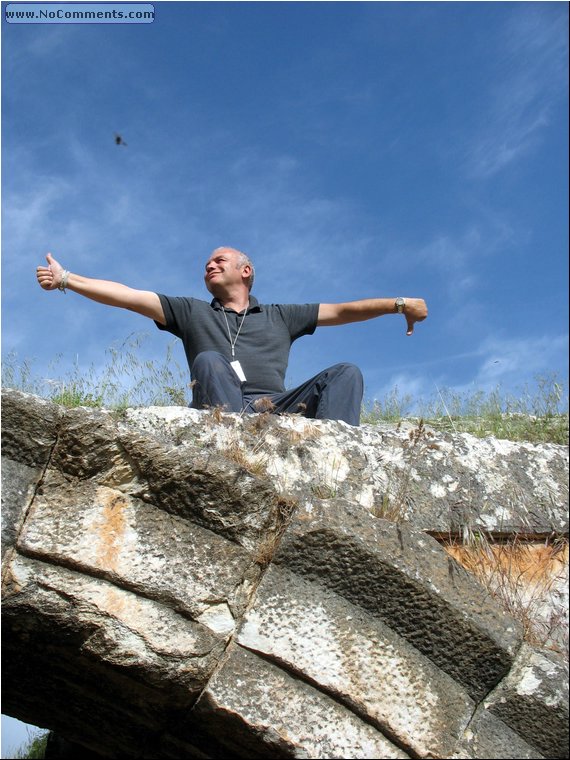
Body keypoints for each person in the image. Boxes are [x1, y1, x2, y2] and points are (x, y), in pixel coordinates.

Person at [36, 247, 427, 426]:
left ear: (246, 271)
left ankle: (335, 453)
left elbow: (343, 310)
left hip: (275, 407)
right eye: (206, 263)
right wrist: (69, 279)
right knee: (208, 360)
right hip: (223, 409)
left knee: (345, 373)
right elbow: (128, 296)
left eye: (219, 261)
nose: (209, 265)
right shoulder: (191, 311)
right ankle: (236, 443)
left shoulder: (280, 316)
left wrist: (398, 303)